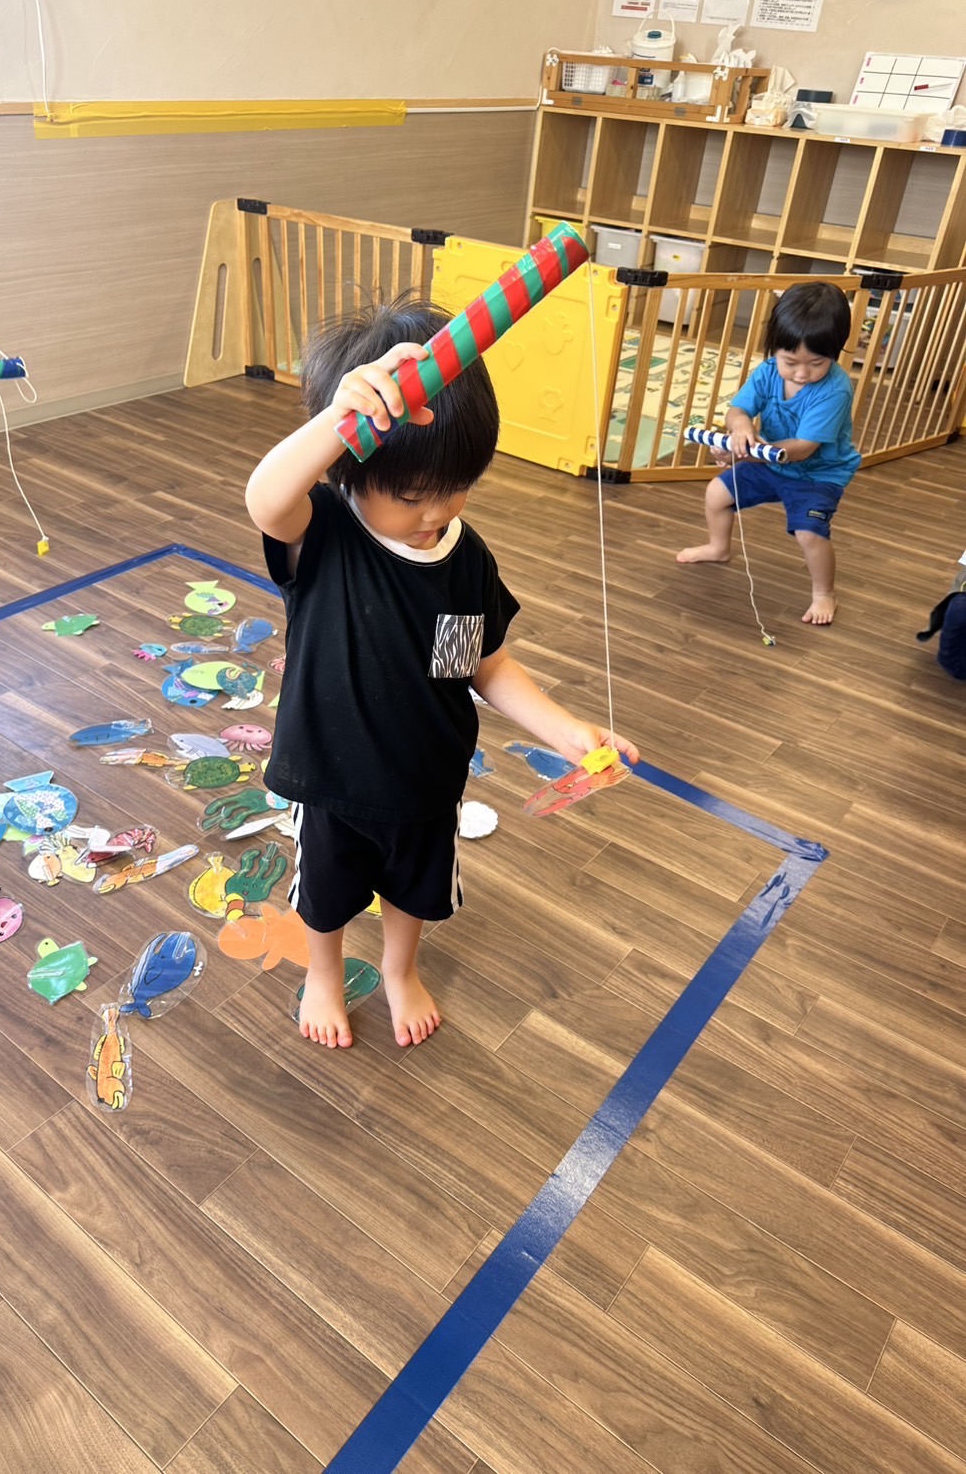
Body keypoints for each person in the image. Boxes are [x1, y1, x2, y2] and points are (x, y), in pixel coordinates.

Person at [246, 297, 639, 1050]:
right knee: (324, 896)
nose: (437, 512)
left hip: (425, 782)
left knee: (413, 892)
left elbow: (481, 666)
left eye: (456, 487)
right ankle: (324, 973)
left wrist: (566, 730)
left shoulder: (465, 558)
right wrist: (337, 419)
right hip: (328, 779)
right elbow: (266, 499)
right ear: (349, 467)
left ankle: (400, 969)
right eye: (412, 496)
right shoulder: (322, 532)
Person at [676, 281, 861, 626]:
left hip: (816, 473)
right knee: (716, 494)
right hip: (768, 460)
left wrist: (745, 454)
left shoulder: (835, 390)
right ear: (775, 348)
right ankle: (718, 547)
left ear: (836, 351)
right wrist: (740, 429)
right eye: (790, 361)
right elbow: (737, 410)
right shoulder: (766, 372)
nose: (802, 373)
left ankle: (824, 593)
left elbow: (803, 449)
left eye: (817, 363)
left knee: (809, 533)